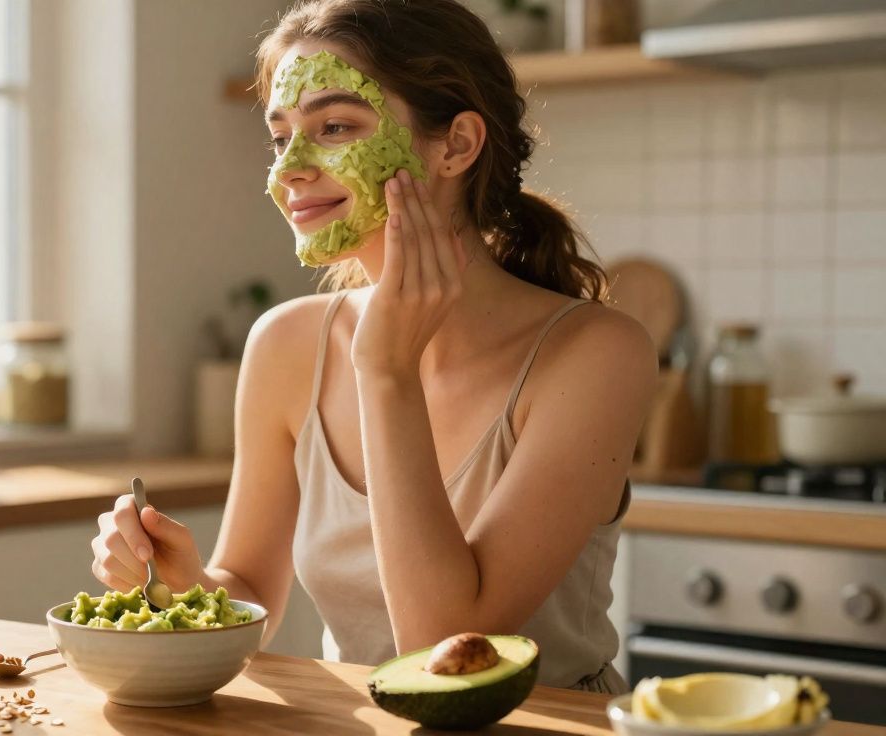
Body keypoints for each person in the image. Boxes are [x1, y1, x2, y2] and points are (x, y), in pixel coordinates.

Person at [90, 0, 656, 693]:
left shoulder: (597, 355)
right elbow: (249, 594)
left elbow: (445, 650)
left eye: (333, 127)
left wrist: (386, 374)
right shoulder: (286, 344)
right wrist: (185, 585)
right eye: (279, 138)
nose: (290, 170)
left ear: (457, 145)